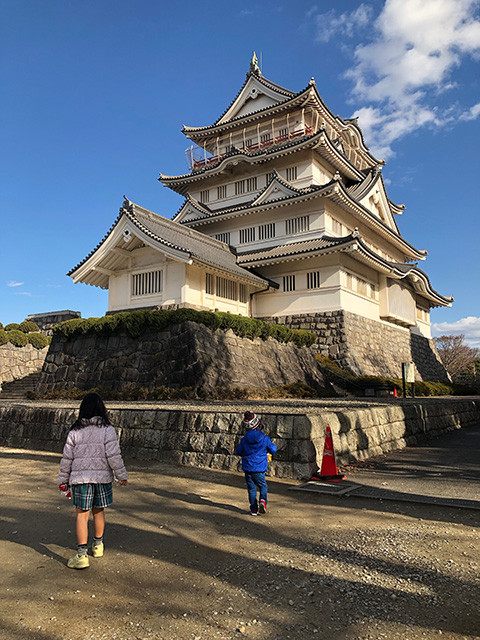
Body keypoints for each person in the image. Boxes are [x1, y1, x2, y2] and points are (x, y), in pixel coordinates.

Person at [58, 392, 128, 569]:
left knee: (82, 515)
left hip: (81, 480)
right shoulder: (107, 430)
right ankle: (98, 546)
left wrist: (63, 480)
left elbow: (67, 459)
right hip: (101, 478)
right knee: (99, 511)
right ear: (101, 408)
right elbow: (113, 455)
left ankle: (81, 555)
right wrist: (121, 475)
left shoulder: (75, 431)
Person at [236, 411, 277, 516]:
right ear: (258, 425)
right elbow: (273, 449)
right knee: (263, 486)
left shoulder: (244, 440)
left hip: (248, 468)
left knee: (251, 488)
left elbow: (239, 451)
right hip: (259, 468)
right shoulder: (265, 439)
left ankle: (253, 509)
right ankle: (263, 501)